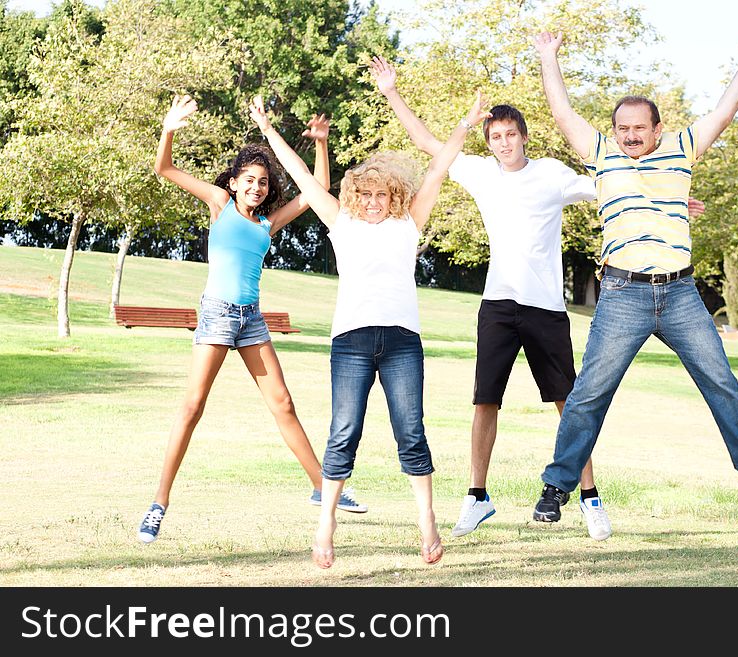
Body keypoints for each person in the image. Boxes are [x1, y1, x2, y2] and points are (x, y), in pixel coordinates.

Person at [371, 56, 691, 540]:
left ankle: (589, 498)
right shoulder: (479, 173)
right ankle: (477, 498)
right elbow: (427, 143)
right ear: (489, 141)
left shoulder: (553, 175)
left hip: (546, 309)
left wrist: (668, 196)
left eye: (510, 134)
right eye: (494, 136)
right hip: (497, 305)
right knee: (485, 403)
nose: (503, 143)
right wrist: (392, 92)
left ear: (524, 136)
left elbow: (614, 181)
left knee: (571, 403)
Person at [530, 29, 738, 526]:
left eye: (639, 127)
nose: (630, 135)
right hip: (621, 294)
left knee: (721, 382)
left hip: (680, 293)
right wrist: (549, 58)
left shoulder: (683, 149)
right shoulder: (602, 154)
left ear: (657, 128)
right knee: (590, 392)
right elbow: (563, 113)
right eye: (622, 128)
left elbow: (724, 110)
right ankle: (557, 486)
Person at [249, 91, 491, 568]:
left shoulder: (409, 223)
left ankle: (427, 521)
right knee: (343, 433)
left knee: (411, 432)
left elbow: (439, 167)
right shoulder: (342, 223)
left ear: (395, 196)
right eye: (366, 194)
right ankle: (327, 524)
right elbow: (300, 174)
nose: (374, 202)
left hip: (402, 342)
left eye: (382, 194)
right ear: (354, 196)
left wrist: (464, 125)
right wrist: (267, 129)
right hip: (352, 342)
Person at [137, 94, 365, 544]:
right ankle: (158, 503)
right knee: (192, 407)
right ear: (236, 181)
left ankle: (322, 488)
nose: (257, 188)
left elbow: (316, 191)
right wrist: (168, 129)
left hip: (251, 320)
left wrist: (320, 144)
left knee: (283, 404)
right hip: (218, 314)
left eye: (263, 183)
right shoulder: (219, 203)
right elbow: (165, 169)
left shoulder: (266, 223)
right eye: (251, 180)